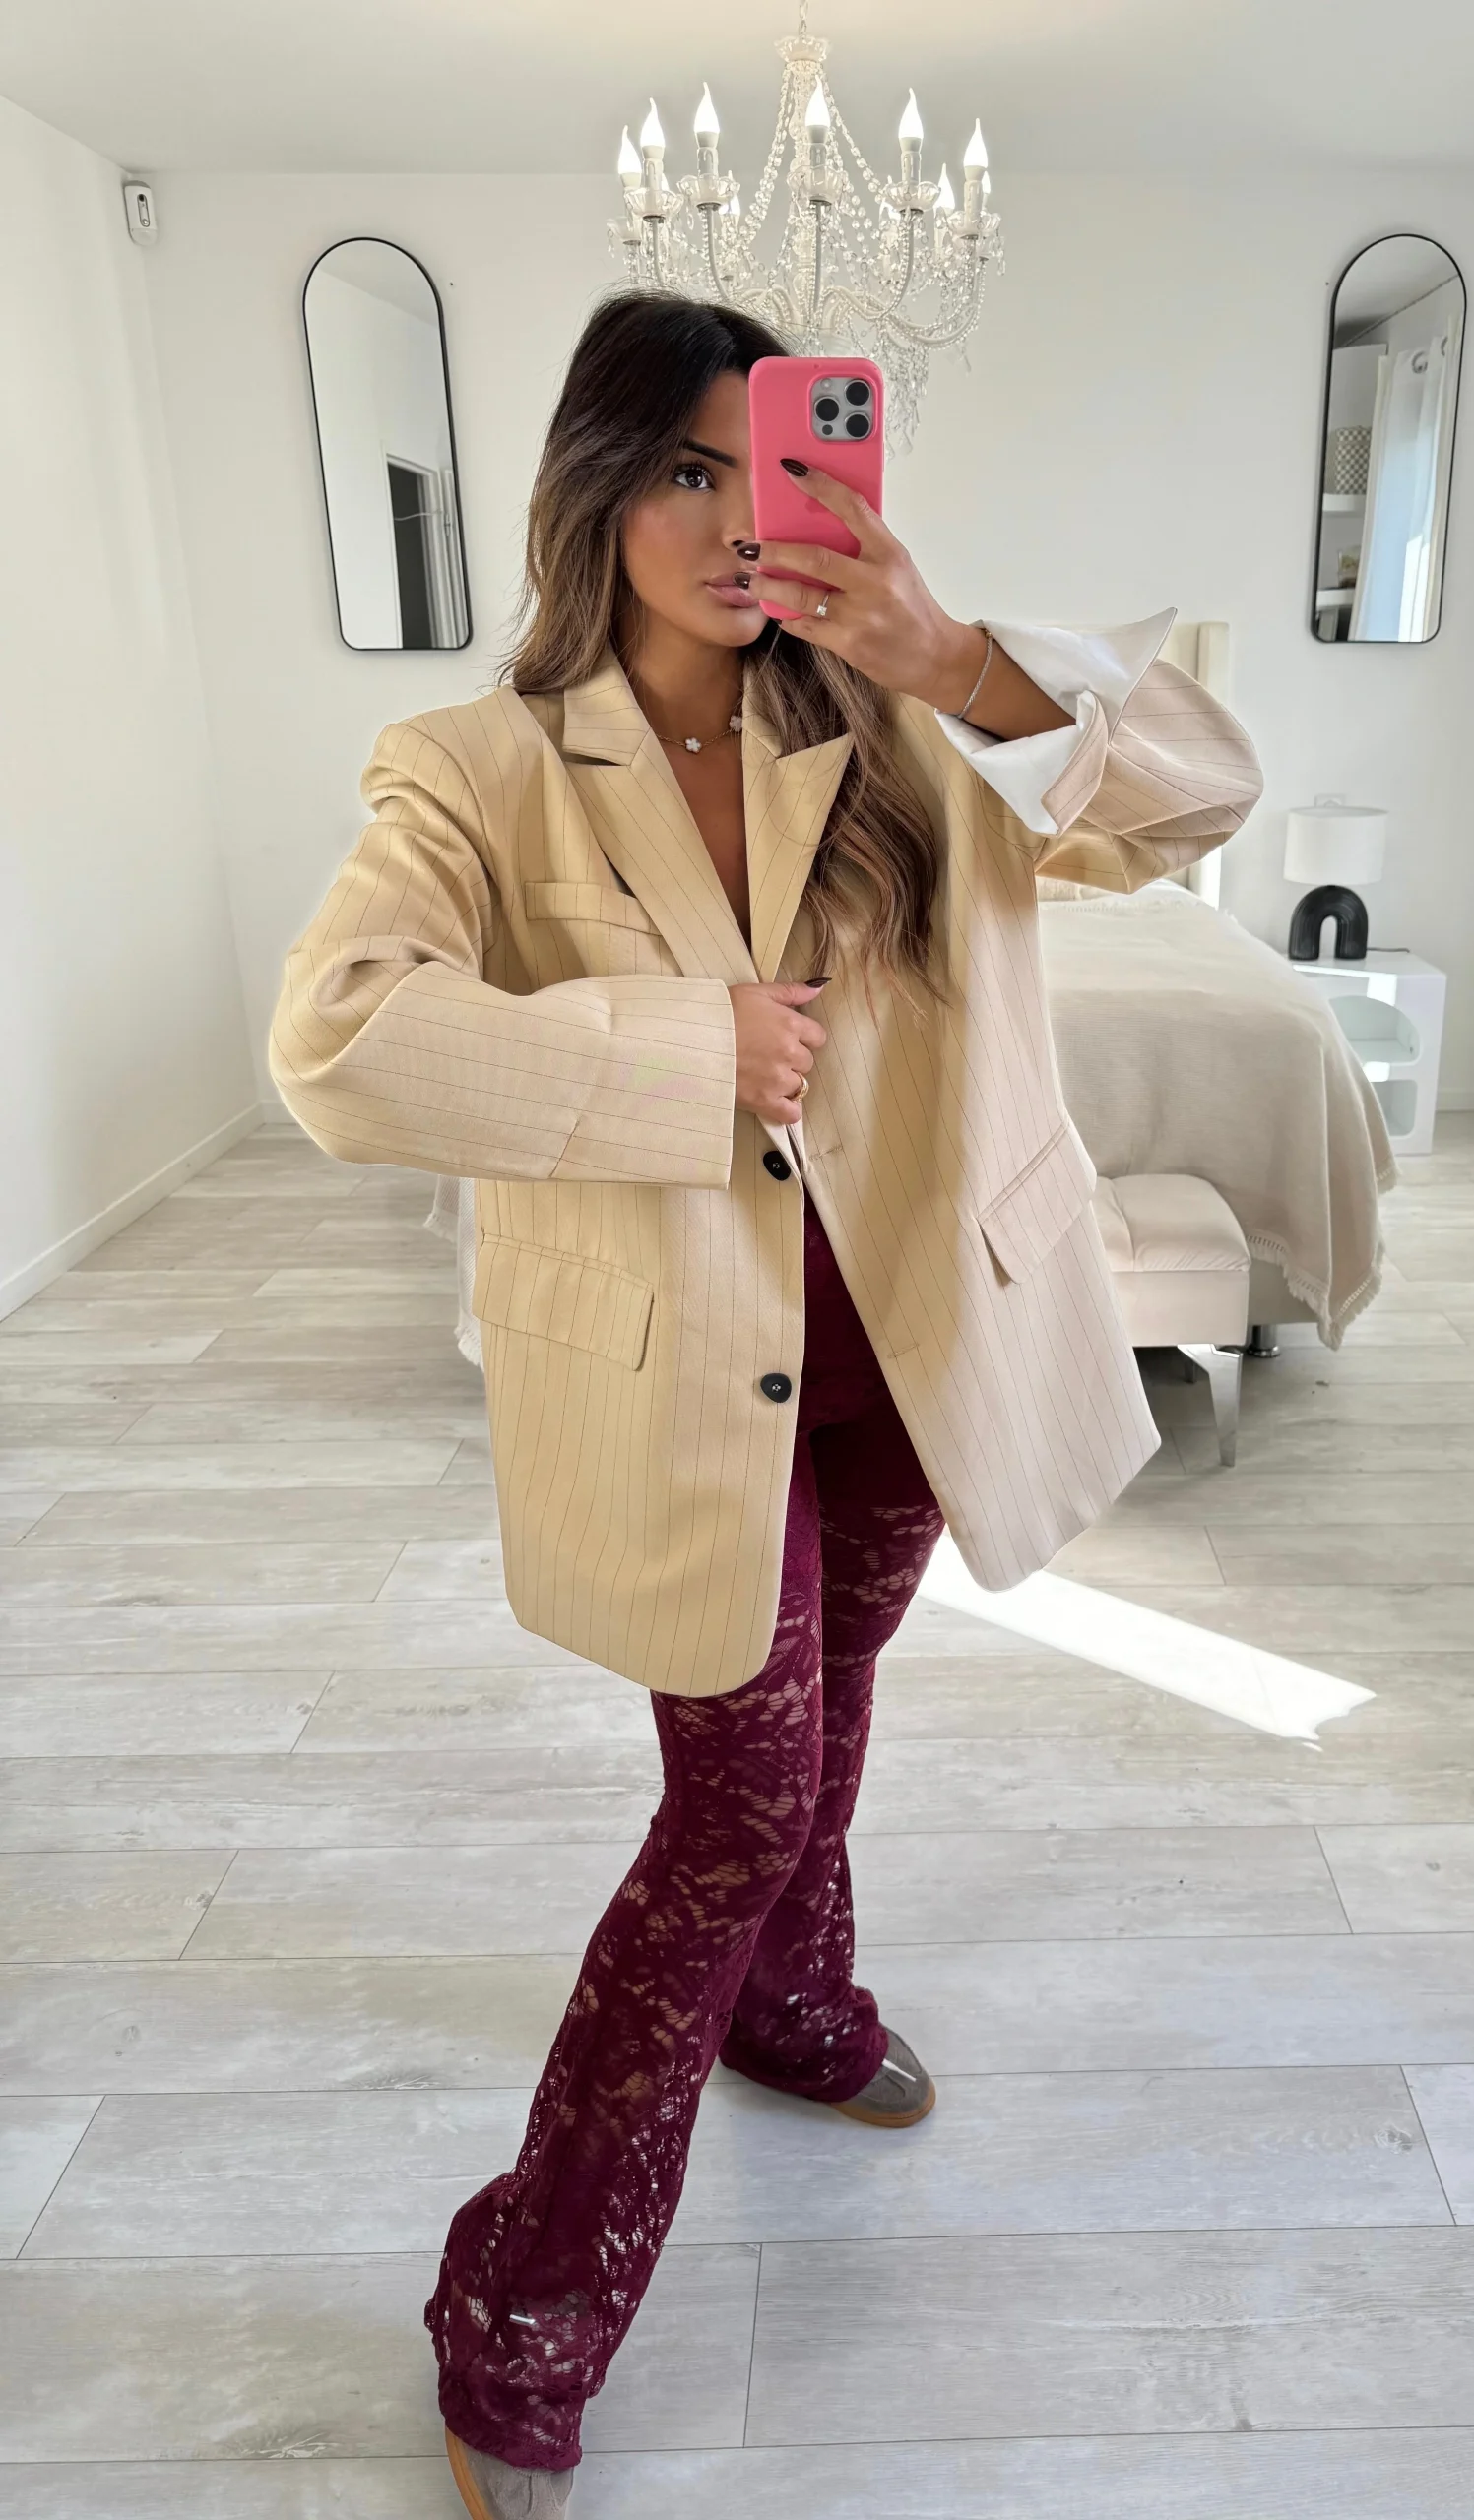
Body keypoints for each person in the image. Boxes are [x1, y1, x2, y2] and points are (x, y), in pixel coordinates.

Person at [270, 291, 1261, 2520]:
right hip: (681, 1376)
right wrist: (677, 1053)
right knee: (732, 1804)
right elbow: (339, 1041)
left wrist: (957, 657)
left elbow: (1206, 791)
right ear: (596, 489)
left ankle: (793, 2012)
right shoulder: (475, 767)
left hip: (917, 1347)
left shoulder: (921, 713)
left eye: (781, 467)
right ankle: (524, 2309)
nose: (738, 518)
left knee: (839, 1696)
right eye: (689, 470)